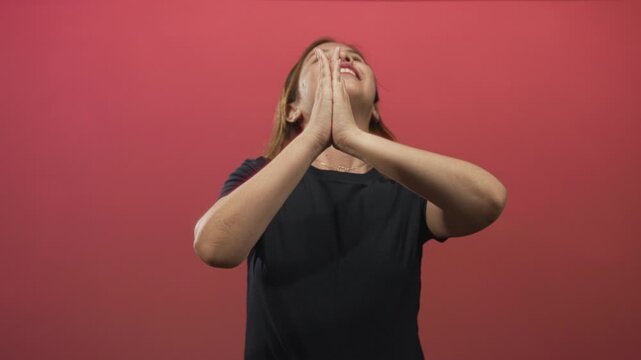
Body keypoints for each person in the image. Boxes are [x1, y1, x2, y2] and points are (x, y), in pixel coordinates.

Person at [193, 37, 508, 359]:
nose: (342, 58)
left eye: (354, 57)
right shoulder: (258, 175)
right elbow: (215, 248)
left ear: (374, 108)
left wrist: (350, 136)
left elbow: (488, 199)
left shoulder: (407, 188)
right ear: (292, 110)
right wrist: (315, 136)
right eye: (320, 60)